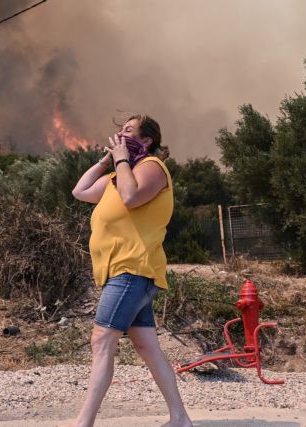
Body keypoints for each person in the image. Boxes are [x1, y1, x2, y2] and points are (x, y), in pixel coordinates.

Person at [63, 114, 192, 427]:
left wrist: (123, 161)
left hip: (133, 269)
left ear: (146, 141)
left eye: (129, 130)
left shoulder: (151, 168)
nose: (121, 133)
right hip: (123, 270)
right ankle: (180, 418)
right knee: (146, 346)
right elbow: (80, 191)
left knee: (101, 339)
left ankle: (84, 422)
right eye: (120, 130)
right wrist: (109, 161)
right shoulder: (117, 176)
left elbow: (132, 198)